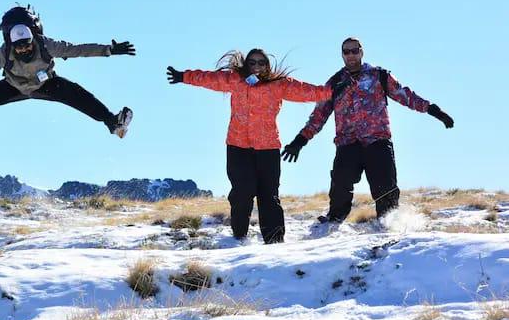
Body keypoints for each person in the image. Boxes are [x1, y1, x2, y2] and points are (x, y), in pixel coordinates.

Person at [167, 48, 344, 244]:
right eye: (253, 62)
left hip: (267, 148)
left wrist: (332, 91)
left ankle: (275, 241)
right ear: (246, 65)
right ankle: (239, 237)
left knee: (269, 195)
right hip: (238, 147)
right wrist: (183, 76)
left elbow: (306, 91)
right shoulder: (234, 80)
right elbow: (210, 79)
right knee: (242, 192)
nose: (257, 66)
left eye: (262, 63)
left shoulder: (278, 85)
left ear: (267, 66)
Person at [282, 37, 454, 224]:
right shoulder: (335, 83)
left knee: (385, 186)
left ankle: (390, 223)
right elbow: (318, 116)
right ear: (342, 55)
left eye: (354, 50)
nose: (351, 55)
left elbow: (405, 96)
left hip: (377, 141)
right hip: (348, 143)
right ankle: (333, 221)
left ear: (361, 52)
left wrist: (433, 110)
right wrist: (300, 141)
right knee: (340, 182)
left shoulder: (379, 76)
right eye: (346, 52)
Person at [0, 5, 136, 143]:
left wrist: (108, 50)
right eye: (19, 47)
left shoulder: (46, 45)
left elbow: (77, 49)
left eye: (27, 45)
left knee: (78, 94)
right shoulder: (3, 53)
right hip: (13, 86)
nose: (24, 50)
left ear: (33, 38)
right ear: (10, 42)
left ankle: (113, 123)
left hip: (46, 84)